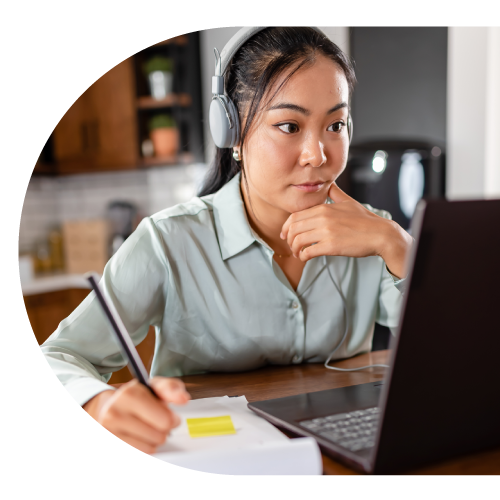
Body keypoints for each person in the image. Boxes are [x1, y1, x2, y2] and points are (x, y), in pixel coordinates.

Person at [41, 26, 412, 455]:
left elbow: (452, 351)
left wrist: (398, 244)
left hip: (342, 450)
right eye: (289, 125)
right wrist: (98, 402)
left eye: (336, 124)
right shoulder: (168, 241)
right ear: (232, 131)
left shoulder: (375, 234)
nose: (318, 154)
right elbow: (60, 357)